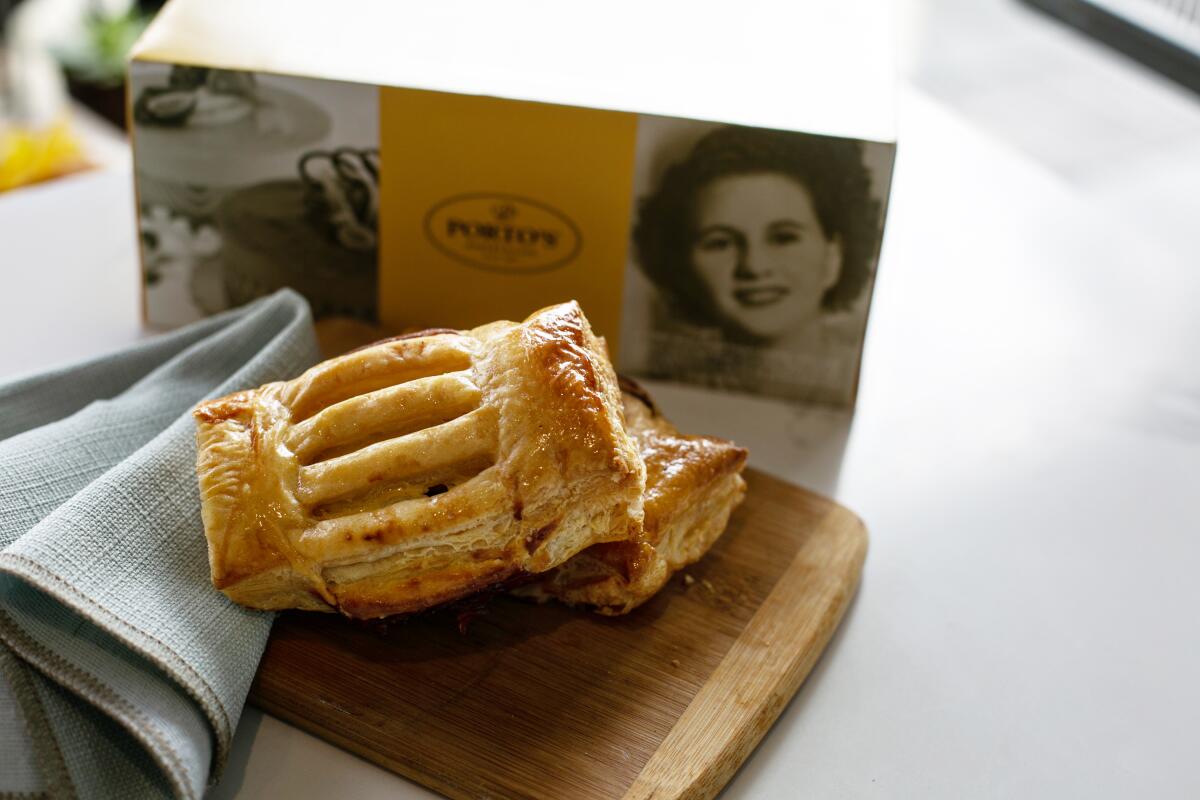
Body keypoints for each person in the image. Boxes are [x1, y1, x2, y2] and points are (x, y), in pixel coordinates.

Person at [632, 125, 883, 404]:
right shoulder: (654, 392)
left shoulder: (879, 390)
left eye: (783, 238)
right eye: (720, 242)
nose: (753, 266)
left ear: (835, 253)